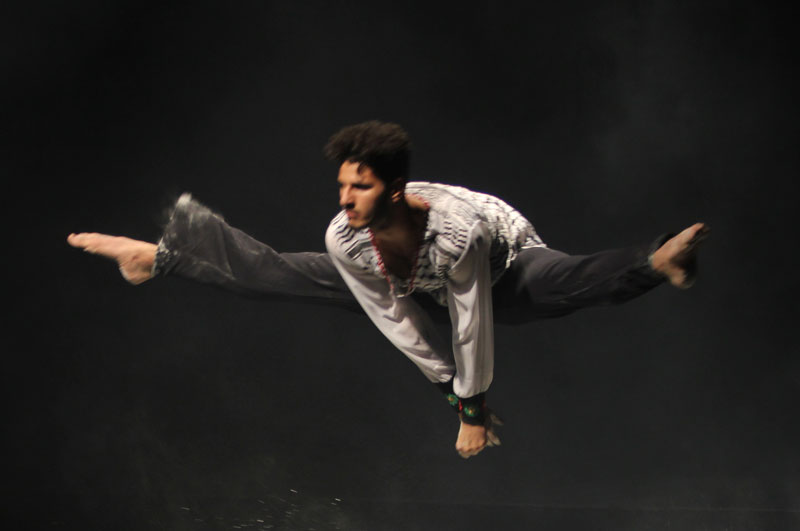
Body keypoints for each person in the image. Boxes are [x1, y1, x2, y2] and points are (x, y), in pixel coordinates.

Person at [67, 121, 709, 459]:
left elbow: (470, 322)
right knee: (275, 275)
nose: (346, 199)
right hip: (406, 279)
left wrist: (471, 412)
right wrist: (454, 401)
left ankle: (654, 262)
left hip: (502, 267)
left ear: (396, 190)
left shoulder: (457, 234)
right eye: (343, 185)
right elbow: (392, 316)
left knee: (562, 282)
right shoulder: (344, 236)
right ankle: (162, 258)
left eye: (362, 188)